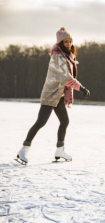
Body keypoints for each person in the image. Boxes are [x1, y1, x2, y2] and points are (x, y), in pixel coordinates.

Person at [15, 27, 91, 165]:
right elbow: (65, 77)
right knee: (41, 122)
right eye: (65, 41)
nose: (68, 44)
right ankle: (23, 150)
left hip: (59, 95)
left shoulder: (67, 56)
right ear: (60, 43)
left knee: (64, 121)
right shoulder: (57, 57)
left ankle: (60, 150)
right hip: (50, 94)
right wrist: (81, 88)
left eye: (70, 41)